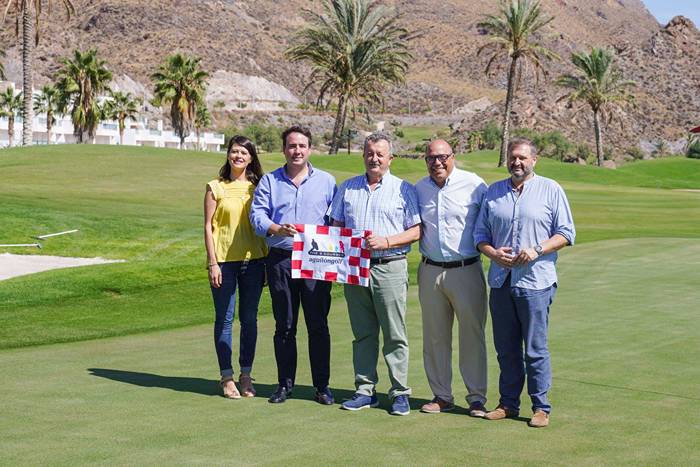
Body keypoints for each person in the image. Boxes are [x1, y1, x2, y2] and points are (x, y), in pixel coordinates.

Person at [473, 137, 576, 428]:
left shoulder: (551, 190)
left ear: (534, 160)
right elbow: (480, 235)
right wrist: (493, 252)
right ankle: (507, 403)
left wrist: (537, 249)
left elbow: (567, 233)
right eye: (512, 158)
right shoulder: (494, 193)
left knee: (535, 348)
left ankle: (541, 407)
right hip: (501, 281)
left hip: (535, 283)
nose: (517, 163)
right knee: (506, 348)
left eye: (522, 158)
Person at [329, 132, 421, 416]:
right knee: (363, 333)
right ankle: (365, 390)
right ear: (363, 155)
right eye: (370, 153)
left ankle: (400, 392)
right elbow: (335, 228)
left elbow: (417, 230)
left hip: (390, 265)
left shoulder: (405, 189)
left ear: (390, 158)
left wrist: (387, 241)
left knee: (395, 333)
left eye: (380, 154)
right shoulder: (348, 188)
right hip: (355, 269)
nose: (374, 158)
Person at [250, 125, 337, 405]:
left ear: (309, 149)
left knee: (318, 325)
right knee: (285, 325)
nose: (296, 151)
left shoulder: (326, 181)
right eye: (291, 146)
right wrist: (276, 228)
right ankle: (285, 384)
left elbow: (336, 221)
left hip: (316, 260)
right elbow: (257, 216)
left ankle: (322, 386)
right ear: (284, 149)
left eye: (301, 146)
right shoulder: (270, 182)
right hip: (281, 260)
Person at [415, 139, 489, 417]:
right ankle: (441, 395)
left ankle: (476, 398)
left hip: (466, 268)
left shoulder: (474, 184)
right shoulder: (419, 189)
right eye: (431, 158)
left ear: (453, 157)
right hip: (430, 270)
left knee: (472, 335)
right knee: (435, 337)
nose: (437, 163)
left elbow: (491, 221)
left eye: (442, 157)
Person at [204, 135, 268, 399]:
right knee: (225, 320)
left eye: (243, 152)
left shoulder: (260, 186)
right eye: (234, 152)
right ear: (228, 155)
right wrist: (212, 263)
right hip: (224, 264)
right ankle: (226, 377)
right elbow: (208, 226)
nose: (238, 156)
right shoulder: (215, 187)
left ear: (251, 157)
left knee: (250, 320)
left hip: (254, 262)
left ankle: (245, 375)